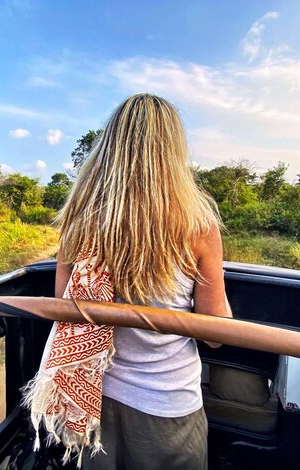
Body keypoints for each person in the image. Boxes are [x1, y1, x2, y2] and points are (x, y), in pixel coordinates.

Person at [53, 93, 232, 470]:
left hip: (92, 397)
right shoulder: (198, 226)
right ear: (173, 149)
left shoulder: (78, 222)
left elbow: (65, 309)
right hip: (166, 404)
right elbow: (216, 333)